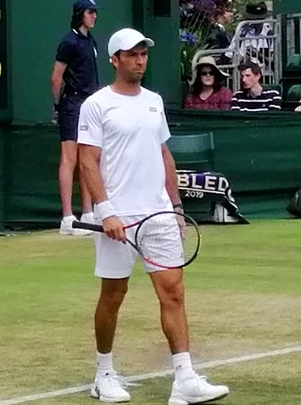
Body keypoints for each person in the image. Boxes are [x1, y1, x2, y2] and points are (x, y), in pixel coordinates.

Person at [77, 28, 230, 404]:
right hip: (118, 217)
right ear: (114, 60)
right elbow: (87, 160)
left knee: (174, 292)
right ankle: (104, 373)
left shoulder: (154, 102)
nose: (140, 59)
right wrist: (106, 210)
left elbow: (164, 156)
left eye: (143, 53)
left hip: (159, 213)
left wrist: (176, 207)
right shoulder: (96, 105)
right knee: (113, 295)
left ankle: (184, 379)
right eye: (131, 54)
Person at [50, 0, 101, 235]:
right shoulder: (68, 41)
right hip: (72, 103)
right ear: (80, 14)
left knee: (87, 158)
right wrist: (58, 105)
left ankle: (88, 214)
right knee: (69, 159)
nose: (94, 16)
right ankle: (68, 218)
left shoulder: (91, 41)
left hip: (90, 104)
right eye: (90, 12)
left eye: (95, 13)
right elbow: (56, 77)